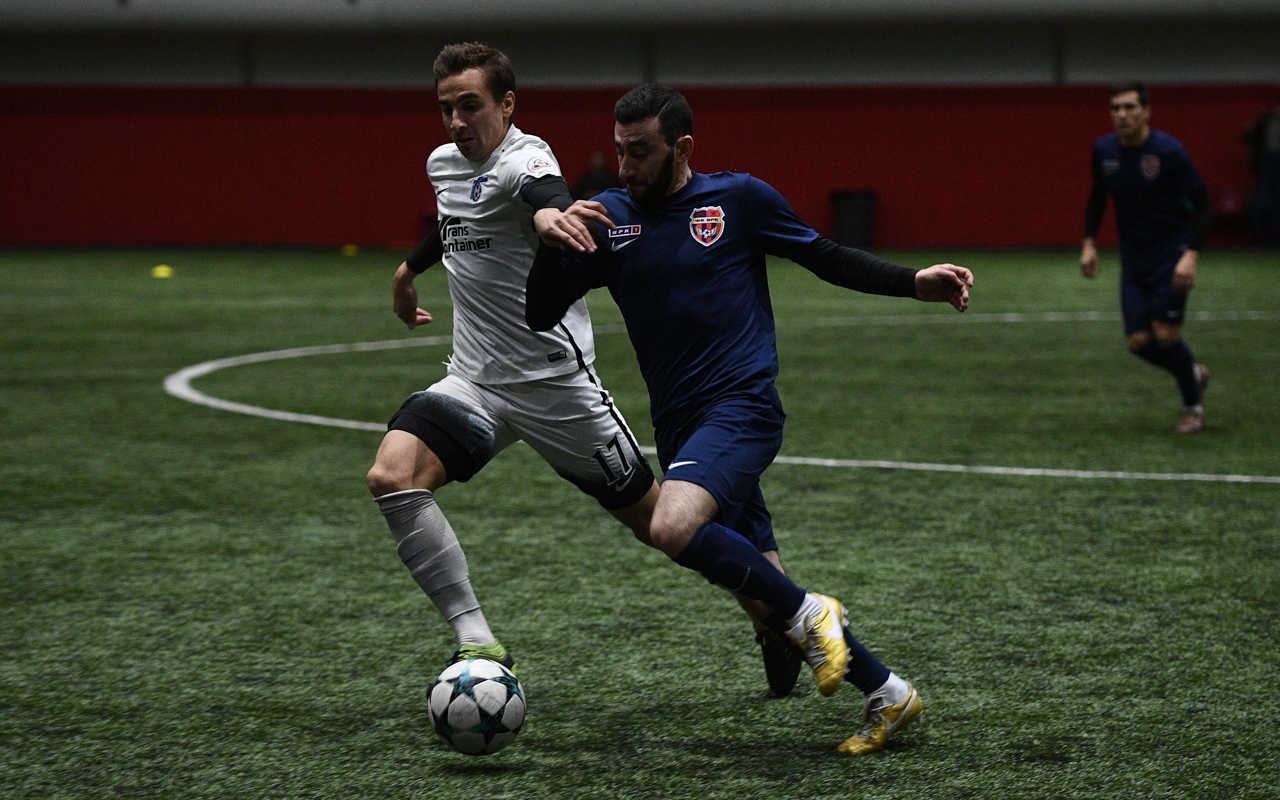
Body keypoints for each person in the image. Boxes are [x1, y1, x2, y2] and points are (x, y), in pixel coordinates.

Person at [526, 84, 974, 755]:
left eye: (640, 152)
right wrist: (552, 240)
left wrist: (913, 282)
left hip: (742, 408)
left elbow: (824, 256)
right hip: (681, 430)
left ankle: (812, 612)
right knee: (766, 593)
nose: (624, 167)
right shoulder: (608, 218)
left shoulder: (738, 200)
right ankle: (888, 692)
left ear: (682, 148)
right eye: (619, 151)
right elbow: (538, 312)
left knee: (670, 526)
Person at [364, 43, 659, 675]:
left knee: (659, 524)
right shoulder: (443, 163)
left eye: (470, 106)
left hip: (555, 388)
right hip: (473, 382)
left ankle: (774, 615)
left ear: (506, 104)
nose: (456, 122)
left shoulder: (525, 155)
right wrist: (407, 271)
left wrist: (551, 216)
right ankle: (478, 641)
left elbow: (541, 191)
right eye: (446, 108)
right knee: (392, 475)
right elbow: (455, 219)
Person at [1080, 82, 1213, 434]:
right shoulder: (1104, 151)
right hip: (1134, 260)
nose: (1122, 115)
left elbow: (1203, 206)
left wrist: (1191, 255)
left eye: (1130, 107)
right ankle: (1193, 373)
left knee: (1165, 334)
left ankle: (1193, 408)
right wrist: (1090, 243)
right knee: (1138, 342)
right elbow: (1097, 197)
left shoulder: (1169, 152)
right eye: (1116, 108)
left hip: (1172, 255)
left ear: (1146, 111)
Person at [1244, 100, 1280, 244]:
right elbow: (1249, 135)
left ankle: (1275, 234)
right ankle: (1256, 234)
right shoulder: (1265, 120)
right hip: (1266, 162)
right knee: (1262, 198)